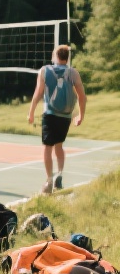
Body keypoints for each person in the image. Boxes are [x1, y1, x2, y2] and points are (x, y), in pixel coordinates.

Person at [27, 45, 86, 194]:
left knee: (47, 147)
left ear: (55, 56)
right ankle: (59, 174)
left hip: (49, 113)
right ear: (67, 57)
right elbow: (82, 97)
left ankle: (49, 179)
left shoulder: (45, 70)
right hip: (65, 116)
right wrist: (80, 115)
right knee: (59, 145)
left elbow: (38, 93)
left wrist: (31, 112)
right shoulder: (73, 73)